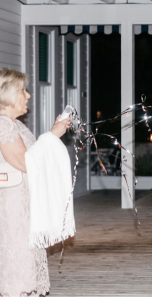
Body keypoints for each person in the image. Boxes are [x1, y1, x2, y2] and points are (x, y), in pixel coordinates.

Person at [0, 68, 70, 296]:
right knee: (15, 264)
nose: (28, 95)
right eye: (23, 90)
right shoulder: (3, 125)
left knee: (24, 260)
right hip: (11, 209)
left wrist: (51, 133)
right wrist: (52, 136)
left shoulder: (16, 125)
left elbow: (34, 155)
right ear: (8, 94)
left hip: (23, 206)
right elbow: (23, 162)